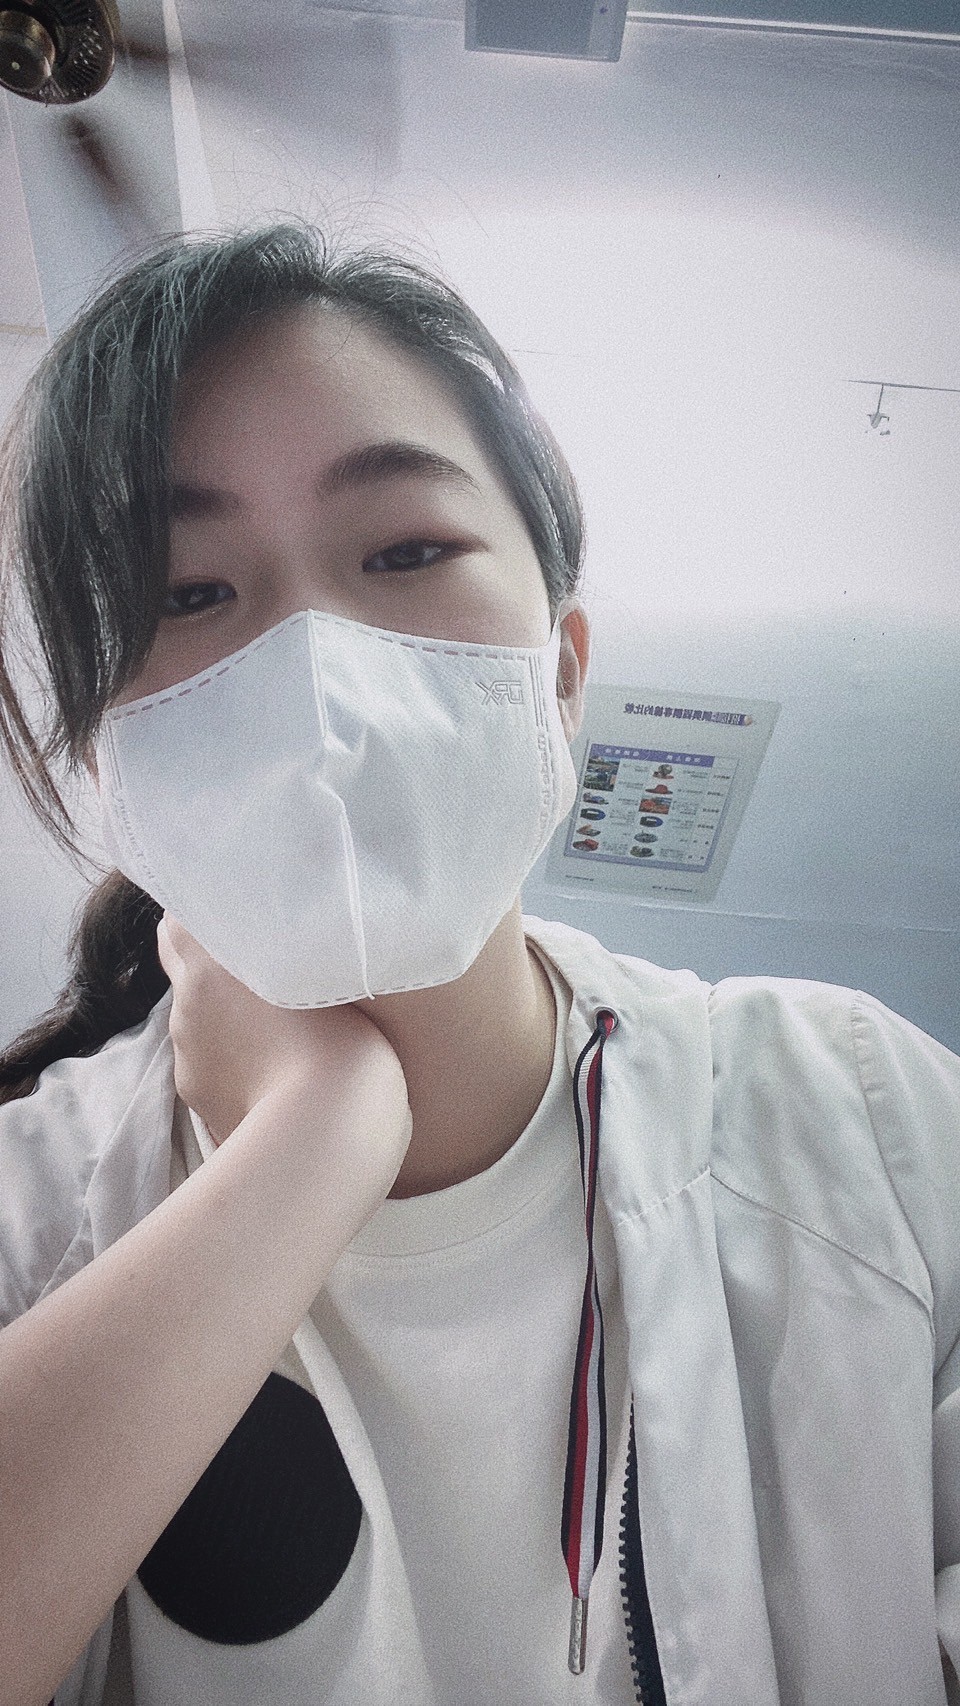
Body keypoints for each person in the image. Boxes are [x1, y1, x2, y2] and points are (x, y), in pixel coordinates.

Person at [0, 222, 958, 1706]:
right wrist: (315, 1138)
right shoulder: (28, 1210)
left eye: (405, 552)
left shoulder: (859, 1116)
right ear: (104, 763)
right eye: (187, 593)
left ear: (560, 672)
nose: (315, 664)